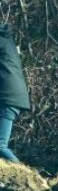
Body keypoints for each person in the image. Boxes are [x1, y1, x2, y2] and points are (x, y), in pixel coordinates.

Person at [0, 24, 31, 162]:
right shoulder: (6, 40)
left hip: (9, 97)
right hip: (11, 95)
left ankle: (26, 177)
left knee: (0, 145)